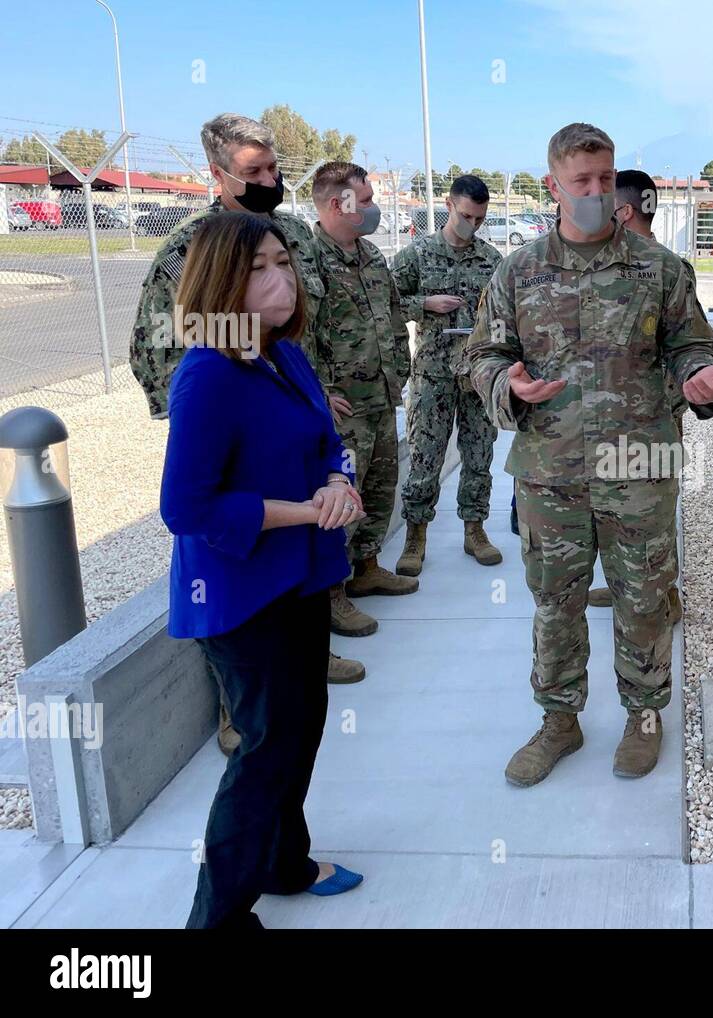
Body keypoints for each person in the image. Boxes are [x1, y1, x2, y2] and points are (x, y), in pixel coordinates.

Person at [466, 123, 713, 787]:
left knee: (643, 600)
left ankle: (644, 715)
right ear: (552, 184)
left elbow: (689, 348)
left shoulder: (660, 270)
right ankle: (559, 720)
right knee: (554, 605)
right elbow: (481, 356)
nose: (595, 192)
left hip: (639, 472)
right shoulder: (517, 272)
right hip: (549, 474)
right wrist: (509, 384)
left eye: (603, 179)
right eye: (580, 181)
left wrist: (698, 381)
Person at [129, 112, 363, 749]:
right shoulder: (194, 246)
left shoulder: (285, 232)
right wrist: (222, 404)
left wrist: (309, 395)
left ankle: (308, 648)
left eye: (274, 168)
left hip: (289, 405)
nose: (269, 180)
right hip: (239, 436)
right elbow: (157, 347)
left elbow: (313, 319)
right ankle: (238, 711)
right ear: (220, 173)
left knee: (293, 704)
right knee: (265, 717)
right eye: (254, 171)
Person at [160, 212, 365, 929]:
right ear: (221, 283)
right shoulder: (208, 375)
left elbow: (327, 442)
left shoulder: (284, 354)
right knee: (264, 752)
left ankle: (284, 862)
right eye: (258, 267)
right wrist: (307, 512)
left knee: (299, 728)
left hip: (300, 581)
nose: (281, 276)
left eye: (283, 260)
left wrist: (341, 485)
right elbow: (186, 507)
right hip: (243, 595)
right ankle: (216, 919)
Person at [307, 161, 416, 638]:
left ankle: (367, 567)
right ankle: (332, 594)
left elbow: (393, 316)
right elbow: (298, 336)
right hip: (341, 409)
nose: (372, 209)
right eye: (365, 201)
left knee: (379, 487)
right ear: (338, 203)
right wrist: (320, 392)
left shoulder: (370, 255)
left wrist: (401, 369)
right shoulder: (307, 259)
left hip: (381, 397)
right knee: (341, 497)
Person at [587, 169, 694, 623]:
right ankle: (629, 584)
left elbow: (685, 341)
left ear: (624, 210)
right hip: (631, 413)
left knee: (651, 510)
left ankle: (662, 599)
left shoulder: (661, 266)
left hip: (655, 411)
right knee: (629, 508)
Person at [391, 174, 503, 575]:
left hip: (476, 377)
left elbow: (509, 314)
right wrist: (425, 304)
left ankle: (475, 530)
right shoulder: (417, 255)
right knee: (424, 457)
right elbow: (387, 302)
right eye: (467, 216)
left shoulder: (491, 261)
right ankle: (415, 536)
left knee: (479, 456)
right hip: (433, 376)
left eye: (480, 219)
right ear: (448, 205)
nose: (472, 225)